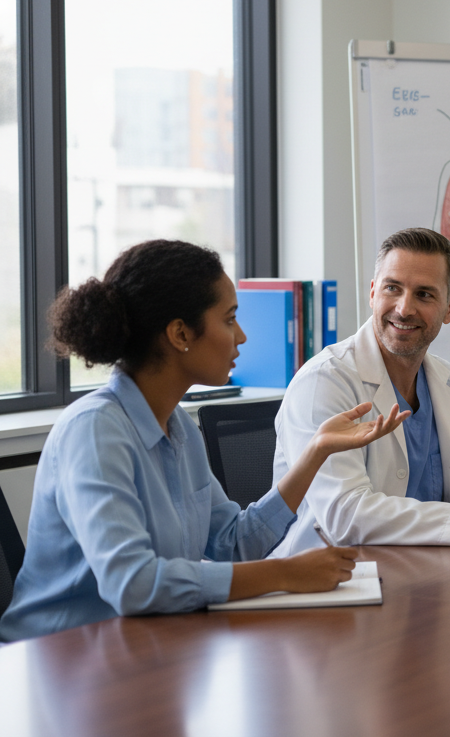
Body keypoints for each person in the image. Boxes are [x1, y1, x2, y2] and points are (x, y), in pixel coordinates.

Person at [0, 241, 408, 642]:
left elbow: (233, 544)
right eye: (229, 319)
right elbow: (133, 584)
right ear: (180, 333)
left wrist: (316, 452)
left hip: (145, 643)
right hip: (57, 655)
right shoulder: (94, 431)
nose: (241, 336)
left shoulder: (177, 425)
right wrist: (283, 573)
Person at [268, 229, 450, 557]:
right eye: (392, 288)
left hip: (428, 566)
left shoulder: (448, 382)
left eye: (424, 295)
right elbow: (345, 515)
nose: (404, 308)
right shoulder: (324, 381)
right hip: (334, 574)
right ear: (373, 293)